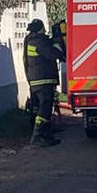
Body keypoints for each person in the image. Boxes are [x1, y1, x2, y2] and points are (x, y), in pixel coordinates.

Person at [23, 18, 65, 147]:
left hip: (37, 80)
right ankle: (38, 137)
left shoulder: (31, 40)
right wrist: (58, 40)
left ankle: (44, 133)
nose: (45, 31)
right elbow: (53, 54)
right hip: (43, 80)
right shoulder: (39, 42)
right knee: (45, 108)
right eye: (43, 28)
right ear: (40, 29)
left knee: (39, 108)